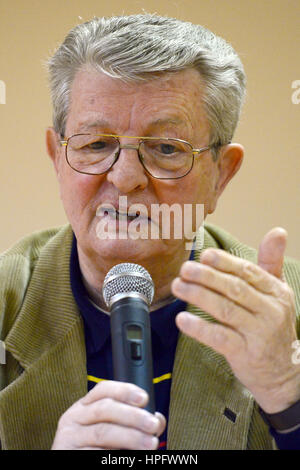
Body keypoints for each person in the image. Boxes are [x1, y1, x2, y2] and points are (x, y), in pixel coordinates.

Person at [0, 13, 299, 451]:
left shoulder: (287, 312)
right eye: (96, 144)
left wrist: (290, 403)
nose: (125, 178)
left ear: (221, 174)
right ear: (57, 158)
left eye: (165, 149)